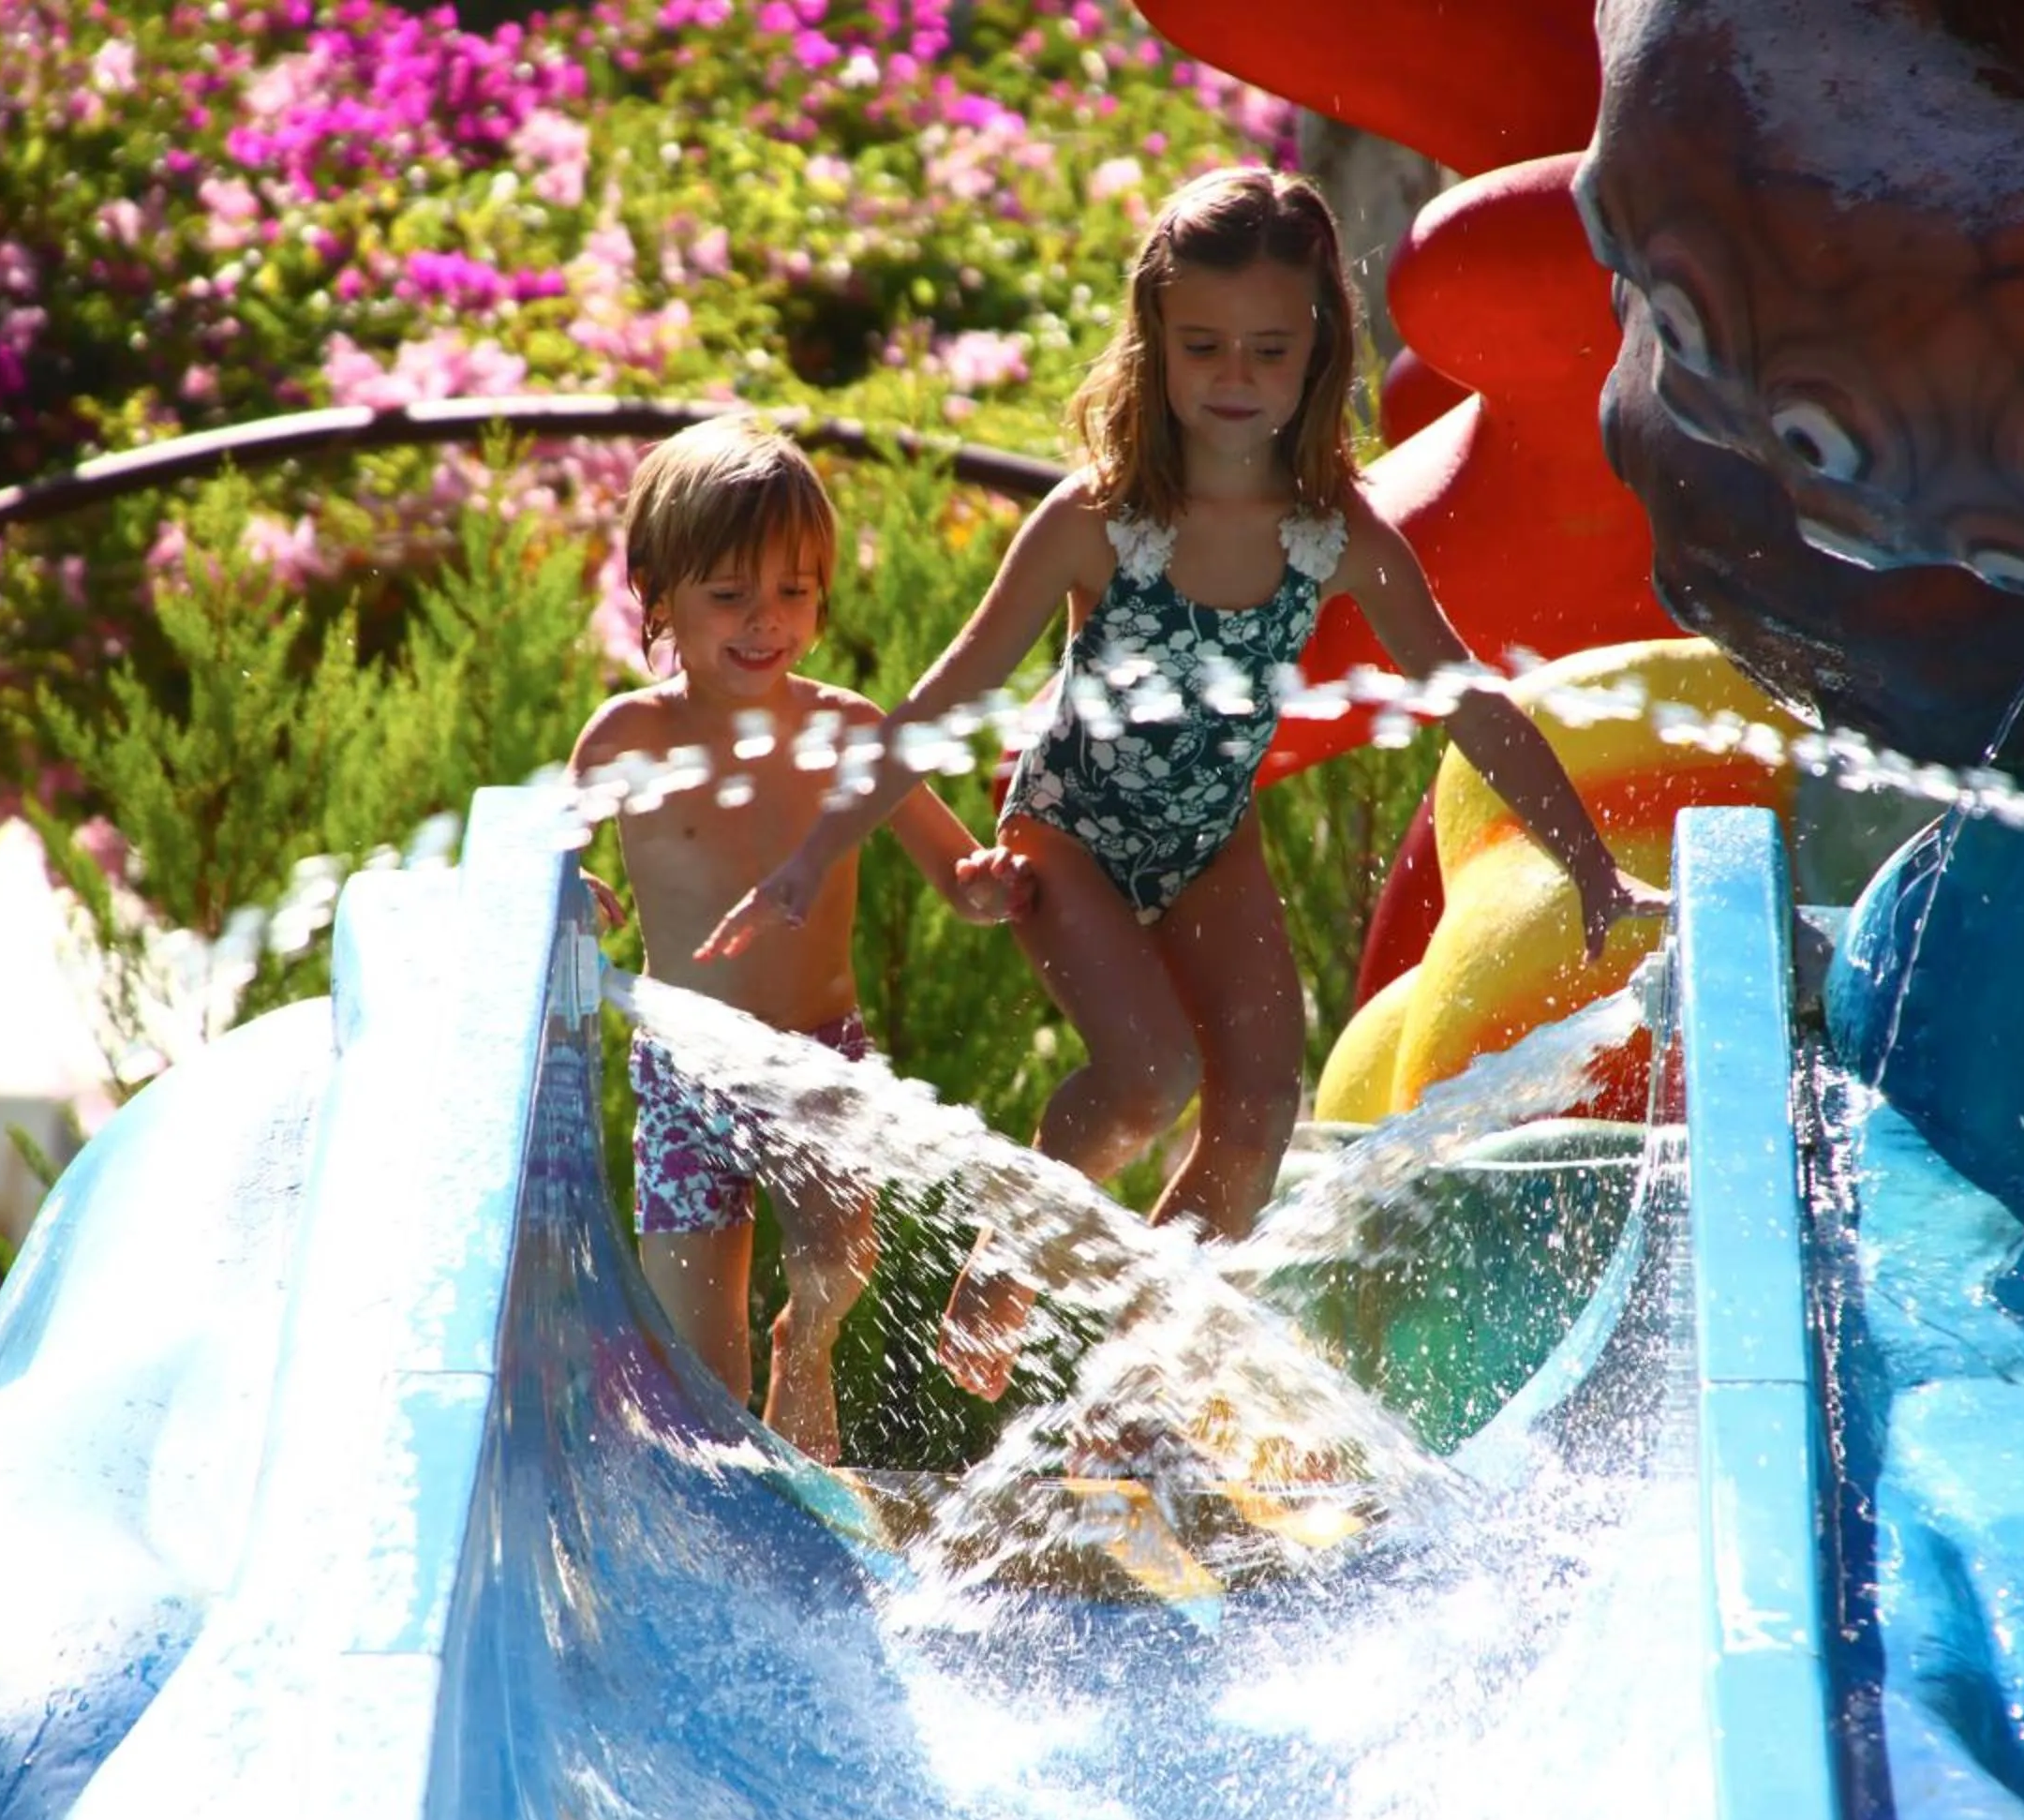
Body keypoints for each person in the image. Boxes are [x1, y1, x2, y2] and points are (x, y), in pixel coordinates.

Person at [700, 169, 1664, 1400]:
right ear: (1153, 337)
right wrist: (808, 857)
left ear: (1318, 346)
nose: (1235, 376)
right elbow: (939, 702)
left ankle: (1132, 1393)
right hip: (1070, 835)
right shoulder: (1099, 523)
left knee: (1260, 1109)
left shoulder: (1335, 534)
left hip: (1211, 841)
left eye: (1269, 347)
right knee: (1146, 1076)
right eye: (1202, 344)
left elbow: (1467, 699)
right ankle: (1014, 1249)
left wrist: (1587, 865)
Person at [572, 413, 1032, 1462]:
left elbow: (952, 871)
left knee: (836, 1259)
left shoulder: (848, 731)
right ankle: (738, 1502)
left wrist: (990, 884)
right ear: (661, 591)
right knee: (702, 1366)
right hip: (685, 1076)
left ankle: (809, 1346)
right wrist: (568, 872)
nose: (763, 619)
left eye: (792, 590)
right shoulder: (630, 735)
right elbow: (552, 843)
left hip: (819, 1057)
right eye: (729, 594)